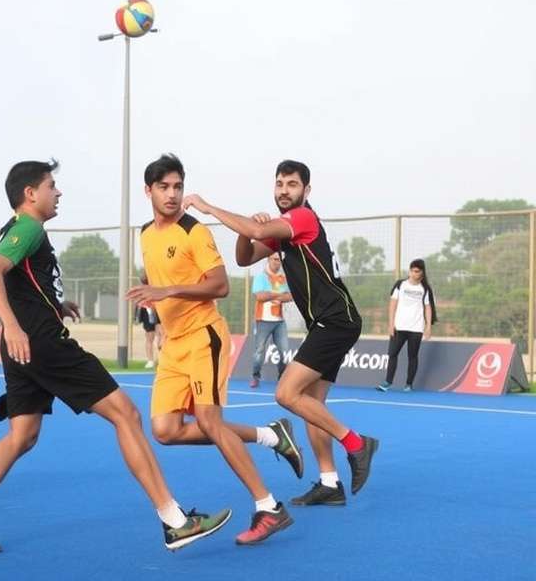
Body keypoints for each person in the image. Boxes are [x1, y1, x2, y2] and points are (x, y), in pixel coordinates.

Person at [0, 159, 231, 554]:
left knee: (22, 435)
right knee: (126, 414)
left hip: (24, 348)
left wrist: (54, 305)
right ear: (31, 194)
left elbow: (20, 283)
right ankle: (175, 521)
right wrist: (12, 325)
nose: (57, 193)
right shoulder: (27, 227)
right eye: (51, 186)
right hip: (43, 345)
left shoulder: (14, 230)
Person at [126, 154, 303, 546]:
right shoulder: (144, 234)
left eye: (177, 186)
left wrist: (167, 291)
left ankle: (268, 506)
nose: (172, 195)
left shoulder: (194, 231)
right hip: (174, 345)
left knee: (209, 420)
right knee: (165, 431)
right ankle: (270, 435)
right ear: (148, 191)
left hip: (205, 335)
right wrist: (157, 296)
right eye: (163, 187)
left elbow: (220, 285)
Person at [183, 159, 379, 508]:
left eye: (291, 184)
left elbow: (261, 233)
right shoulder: (285, 231)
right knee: (311, 403)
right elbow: (245, 257)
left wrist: (208, 207)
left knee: (287, 394)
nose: (284, 190)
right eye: (279, 184)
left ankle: (357, 444)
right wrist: (246, 229)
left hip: (336, 320)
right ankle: (330, 483)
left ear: (306, 190)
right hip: (328, 322)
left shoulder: (301, 219)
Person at [377, 259, 436, 392]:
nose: (415, 274)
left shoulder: (425, 289)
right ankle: (388, 382)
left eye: (418, 271)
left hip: (416, 328)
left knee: (413, 356)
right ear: (409, 271)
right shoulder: (400, 285)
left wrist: (428, 326)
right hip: (399, 327)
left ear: (422, 273)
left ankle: (409, 384)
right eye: (413, 271)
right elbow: (393, 304)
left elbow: (428, 308)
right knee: (392, 354)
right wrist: (391, 324)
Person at [250, 253, 292, 388]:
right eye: (275, 259)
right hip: (263, 320)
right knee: (259, 351)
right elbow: (260, 296)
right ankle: (256, 376)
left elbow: (290, 297)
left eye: (279, 261)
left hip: (279, 321)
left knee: (284, 351)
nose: (277, 263)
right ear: (268, 259)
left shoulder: (283, 278)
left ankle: (282, 377)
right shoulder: (261, 277)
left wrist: (271, 294)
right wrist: (279, 295)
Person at [136, 276, 163, 368]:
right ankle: (150, 360)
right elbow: (140, 304)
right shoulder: (143, 291)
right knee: (150, 338)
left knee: (161, 336)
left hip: (160, 312)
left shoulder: (159, 287)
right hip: (149, 313)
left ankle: (162, 359)